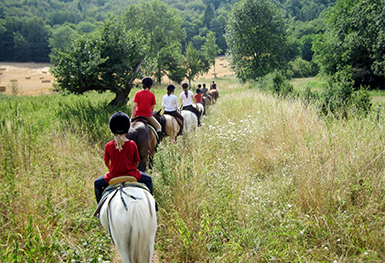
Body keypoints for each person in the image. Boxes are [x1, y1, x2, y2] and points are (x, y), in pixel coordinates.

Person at [94, 112, 154, 203]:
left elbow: (106, 162)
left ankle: (99, 208)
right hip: (132, 174)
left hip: (113, 175)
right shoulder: (132, 144)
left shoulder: (108, 145)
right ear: (127, 128)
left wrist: (113, 169)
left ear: (112, 129)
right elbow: (137, 162)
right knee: (149, 180)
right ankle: (153, 205)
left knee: (97, 184)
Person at [132, 76, 162, 142]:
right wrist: (149, 112)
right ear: (150, 85)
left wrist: (133, 117)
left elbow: (134, 106)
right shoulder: (151, 95)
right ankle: (158, 144)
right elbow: (152, 108)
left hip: (137, 115)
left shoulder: (137, 93)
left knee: (127, 127)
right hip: (147, 116)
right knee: (159, 127)